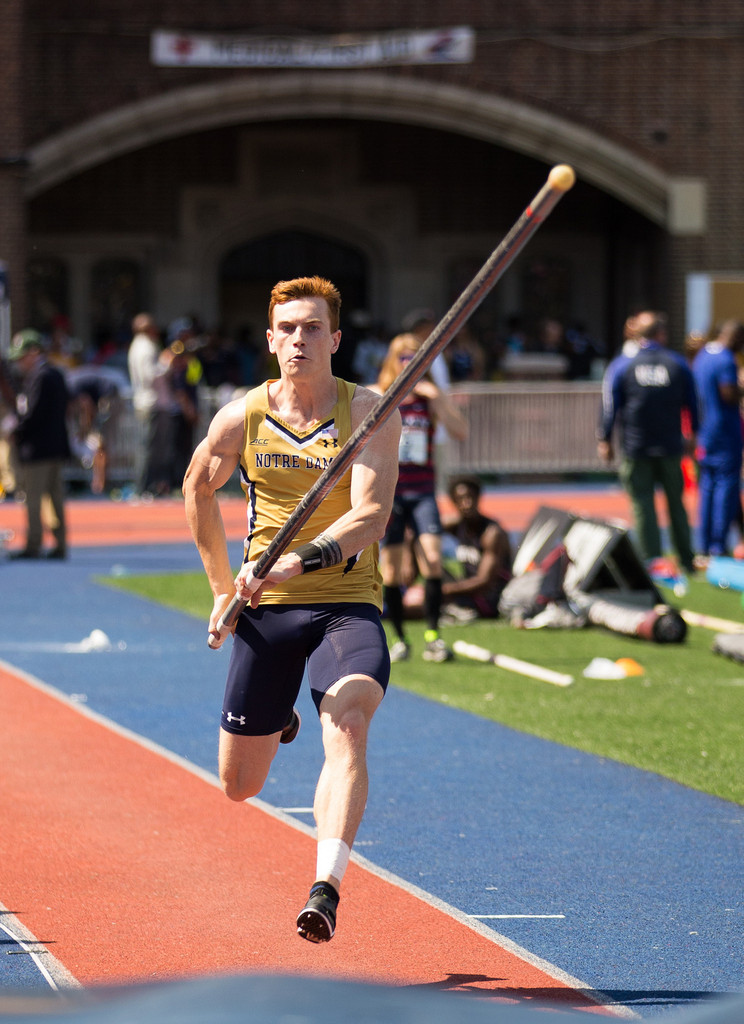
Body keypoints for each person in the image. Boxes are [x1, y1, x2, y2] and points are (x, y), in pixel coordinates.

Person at [183, 276, 400, 944]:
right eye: (288, 329)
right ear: (271, 339)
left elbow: (370, 517)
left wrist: (298, 561)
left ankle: (325, 888)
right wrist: (223, 586)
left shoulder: (368, 411)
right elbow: (197, 486)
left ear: (335, 338)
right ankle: (277, 718)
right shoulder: (242, 416)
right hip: (266, 609)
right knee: (239, 786)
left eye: (312, 328)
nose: (299, 339)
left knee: (351, 717)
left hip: (345, 600)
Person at [374, 332, 468, 663]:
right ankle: (398, 638)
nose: (409, 364)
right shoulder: (380, 395)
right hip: (393, 491)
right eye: (404, 358)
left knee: (433, 559)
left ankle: (433, 636)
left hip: (423, 490)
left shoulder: (429, 398)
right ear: (392, 361)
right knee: (392, 570)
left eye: (416, 358)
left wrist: (437, 395)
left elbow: (461, 430)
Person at [597, 310, 698, 573]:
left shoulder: (623, 364)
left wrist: (605, 438)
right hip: (670, 446)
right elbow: (693, 403)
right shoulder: (676, 363)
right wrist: (693, 434)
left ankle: (652, 559)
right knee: (676, 503)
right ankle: (686, 558)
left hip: (636, 446)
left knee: (642, 504)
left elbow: (610, 405)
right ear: (661, 334)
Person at [6, 329, 71, 559]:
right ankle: (60, 543)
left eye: (22, 356)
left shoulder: (40, 376)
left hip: (37, 448)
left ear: (34, 352)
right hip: (55, 446)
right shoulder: (56, 373)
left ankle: (34, 544)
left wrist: (15, 430)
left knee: (33, 498)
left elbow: (33, 414)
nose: (19, 362)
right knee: (55, 498)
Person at [692, 320, 744, 556]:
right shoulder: (725, 359)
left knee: (708, 488)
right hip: (724, 431)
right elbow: (728, 393)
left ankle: (705, 544)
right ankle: (718, 545)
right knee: (726, 489)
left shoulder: (703, 355)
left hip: (706, 431)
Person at [440, 474, 512, 616]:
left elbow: (484, 581)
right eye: (460, 499)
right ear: (453, 502)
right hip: (465, 591)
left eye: (470, 497)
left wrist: (445, 590)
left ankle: (390, 611)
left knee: (426, 604)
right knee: (429, 558)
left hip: (488, 599)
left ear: (478, 497)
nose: (466, 504)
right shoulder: (457, 525)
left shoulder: (492, 533)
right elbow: (421, 531)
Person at [127, 313, 162, 495]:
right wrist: (166, 365)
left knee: (144, 446)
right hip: (149, 400)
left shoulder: (134, 346)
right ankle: (145, 487)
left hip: (140, 399)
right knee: (148, 448)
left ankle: (143, 486)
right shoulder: (147, 347)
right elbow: (151, 376)